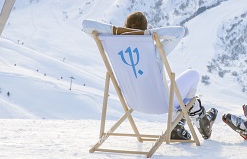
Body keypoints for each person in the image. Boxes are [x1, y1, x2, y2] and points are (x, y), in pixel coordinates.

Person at [82, 11, 218, 140]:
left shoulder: (111, 45)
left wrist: (117, 32)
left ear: (125, 27)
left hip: (133, 102)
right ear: (145, 28)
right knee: (193, 74)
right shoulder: (154, 51)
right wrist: (147, 35)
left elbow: (85, 24)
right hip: (162, 103)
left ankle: (186, 119)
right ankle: (185, 120)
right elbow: (179, 31)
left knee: (174, 85)